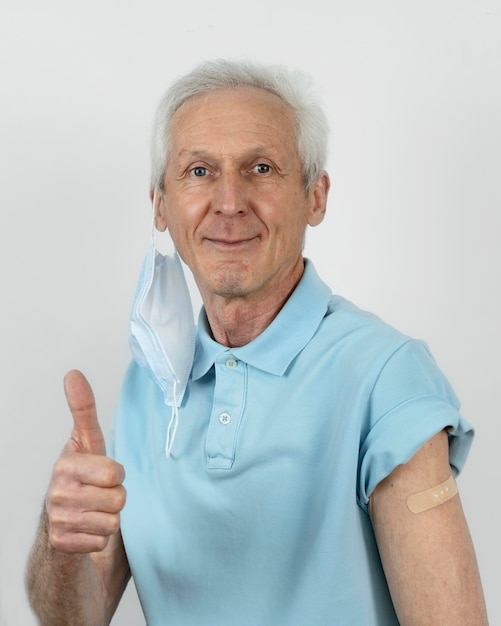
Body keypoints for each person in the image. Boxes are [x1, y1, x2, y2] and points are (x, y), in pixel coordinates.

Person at [26, 59, 488, 625]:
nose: (228, 201)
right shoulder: (147, 382)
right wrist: (61, 539)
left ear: (315, 196)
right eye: (198, 171)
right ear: (160, 204)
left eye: (261, 168)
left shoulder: (386, 376)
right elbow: (74, 619)